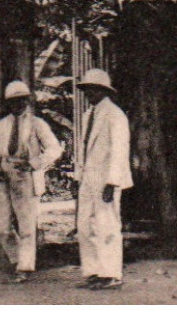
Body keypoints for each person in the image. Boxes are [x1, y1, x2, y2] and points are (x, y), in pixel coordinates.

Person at [0, 80, 63, 282]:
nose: (18, 105)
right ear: (7, 104)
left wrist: (35, 163)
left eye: (22, 101)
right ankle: (16, 259)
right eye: (13, 101)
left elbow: (55, 148)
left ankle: (24, 268)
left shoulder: (38, 124)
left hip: (26, 176)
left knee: (27, 225)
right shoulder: (2, 125)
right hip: (4, 174)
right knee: (0, 226)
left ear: (28, 101)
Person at [74, 68, 132, 290]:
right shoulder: (88, 115)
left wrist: (112, 181)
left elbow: (119, 150)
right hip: (89, 177)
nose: (88, 93)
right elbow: (84, 148)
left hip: (106, 178)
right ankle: (93, 271)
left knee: (107, 225)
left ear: (103, 90)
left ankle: (111, 273)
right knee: (84, 226)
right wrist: (78, 176)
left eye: (92, 89)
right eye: (86, 89)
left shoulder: (115, 115)